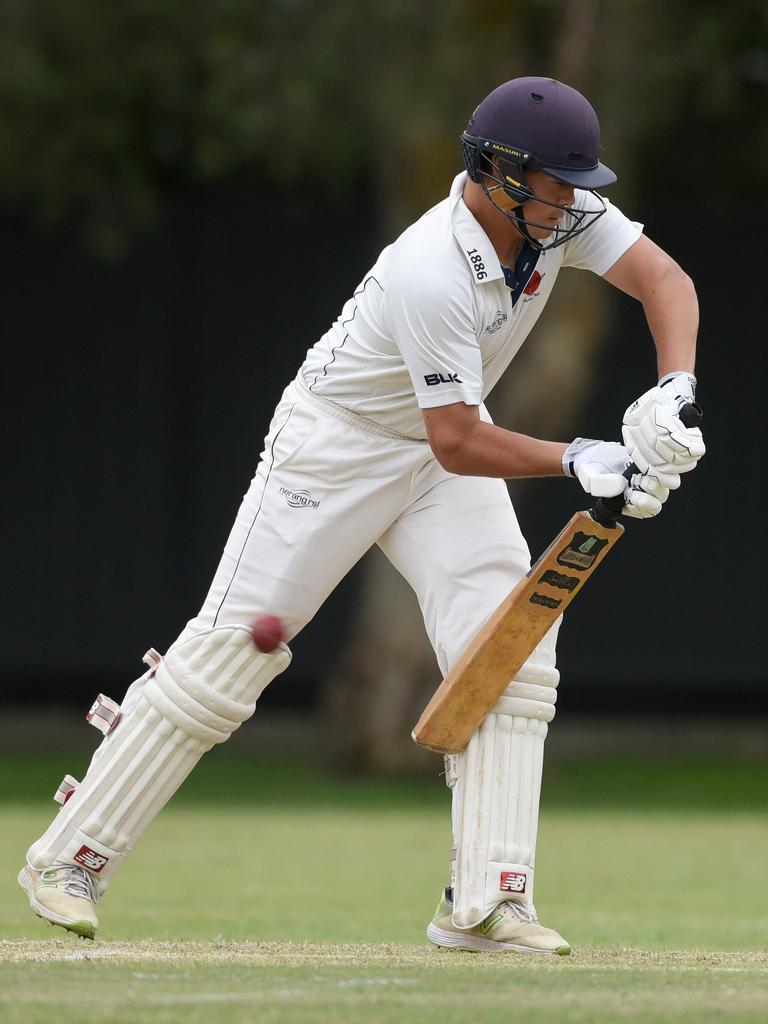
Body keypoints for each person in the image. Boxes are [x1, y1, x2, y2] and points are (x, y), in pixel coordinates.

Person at [19, 77, 704, 954]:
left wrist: (672, 390)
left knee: (513, 641)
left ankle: (487, 902)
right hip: (335, 449)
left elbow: (664, 278)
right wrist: (579, 457)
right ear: (498, 173)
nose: (574, 204)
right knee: (239, 650)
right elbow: (457, 437)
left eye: (580, 185)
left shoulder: (551, 218)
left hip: (438, 454)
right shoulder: (432, 267)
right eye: (556, 183)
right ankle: (69, 857)